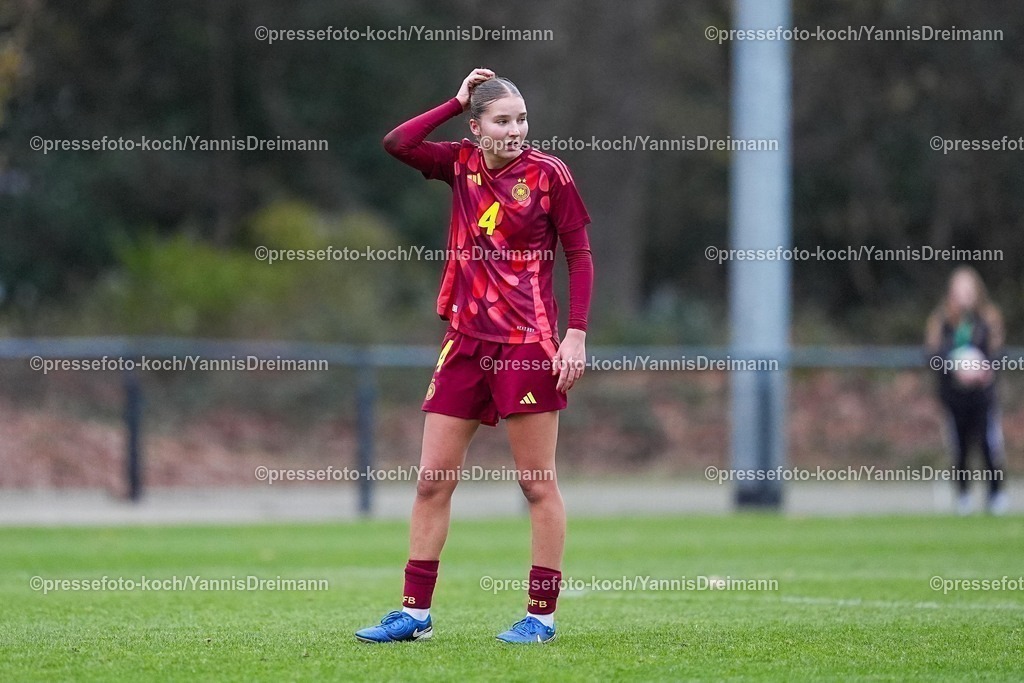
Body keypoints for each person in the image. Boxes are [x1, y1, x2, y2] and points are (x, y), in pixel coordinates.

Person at [356, 68, 594, 644]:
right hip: (464, 344)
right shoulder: (459, 163)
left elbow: (579, 256)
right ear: (477, 125)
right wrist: (453, 99)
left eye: (522, 119)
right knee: (432, 480)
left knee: (537, 484)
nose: (517, 131)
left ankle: (541, 618)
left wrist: (577, 334)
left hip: (527, 348)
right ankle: (414, 614)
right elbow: (398, 144)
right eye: (503, 120)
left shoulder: (549, 175)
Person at [925, 266, 1007, 515]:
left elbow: (997, 354)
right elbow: (931, 357)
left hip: (982, 398)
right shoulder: (941, 321)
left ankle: (996, 496)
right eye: (959, 289)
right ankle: (963, 497)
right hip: (953, 398)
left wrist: (982, 370)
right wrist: (954, 366)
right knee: (959, 448)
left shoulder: (988, 319)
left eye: (968, 289)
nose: (963, 295)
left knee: (988, 445)